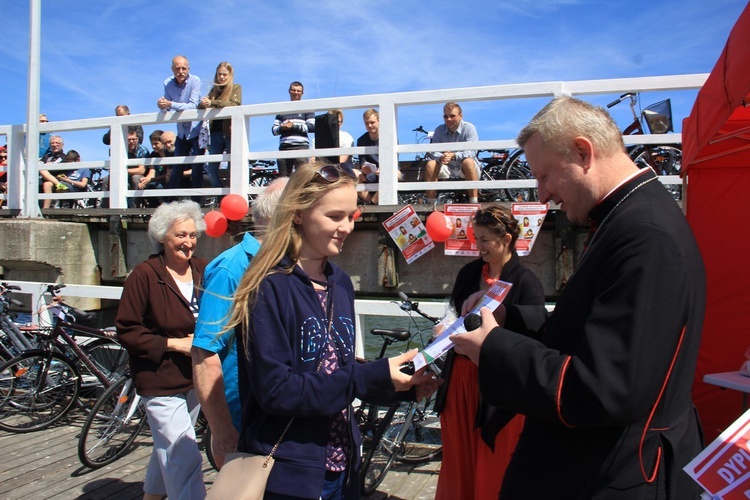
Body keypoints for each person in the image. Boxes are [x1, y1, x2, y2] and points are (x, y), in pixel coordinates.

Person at [450, 96, 707, 499]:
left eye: (545, 176)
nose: (543, 194)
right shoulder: (629, 217)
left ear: (583, 152)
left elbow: (606, 388)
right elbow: (589, 331)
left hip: (612, 474)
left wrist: (493, 348)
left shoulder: (644, 235)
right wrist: (509, 318)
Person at [224, 162, 439, 499]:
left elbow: (333, 373)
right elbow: (277, 391)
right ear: (298, 214)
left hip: (343, 465)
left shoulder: (340, 283)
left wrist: (397, 383)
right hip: (287, 472)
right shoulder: (268, 286)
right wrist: (367, 378)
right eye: (334, 216)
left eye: (350, 216)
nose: (346, 228)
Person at [434, 205, 546, 500]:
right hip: (460, 380)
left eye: (484, 239)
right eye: (475, 238)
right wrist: (443, 328)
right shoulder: (469, 273)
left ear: (506, 239)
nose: (477, 246)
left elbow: (537, 332)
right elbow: (453, 313)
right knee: (458, 457)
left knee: (496, 458)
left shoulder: (526, 281)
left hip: (499, 387)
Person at [192, 176, 288, 469]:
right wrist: (221, 431)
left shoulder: (285, 263)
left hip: (278, 414)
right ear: (281, 217)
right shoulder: (231, 267)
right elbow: (204, 353)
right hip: (244, 416)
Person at [116, 200, 208, 500]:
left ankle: (152, 496)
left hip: (194, 375)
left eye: (193, 235)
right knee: (183, 452)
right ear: (163, 237)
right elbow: (127, 330)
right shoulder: (144, 275)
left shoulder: (202, 270)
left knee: (169, 445)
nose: (189, 242)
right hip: (159, 378)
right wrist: (172, 343)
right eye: (181, 235)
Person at [158, 55, 202, 192]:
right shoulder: (167, 83)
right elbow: (168, 108)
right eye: (178, 68)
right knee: (176, 168)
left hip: (196, 130)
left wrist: (170, 103)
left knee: (197, 168)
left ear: (188, 69)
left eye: (184, 68)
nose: (181, 71)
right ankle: (171, 204)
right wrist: (162, 105)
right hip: (181, 132)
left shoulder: (195, 81)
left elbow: (193, 106)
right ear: (172, 69)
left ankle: (197, 203)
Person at [424, 102, 480, 203]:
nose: (448, 119)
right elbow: (432, 150)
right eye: (446, 116)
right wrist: (441, 157)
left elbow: (473, 151)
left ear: (461, 116)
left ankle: (474, 203)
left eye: (452, 116)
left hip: (465, 168)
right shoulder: (439, 129)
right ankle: (430, 205)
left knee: (469, 162)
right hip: (447, 167)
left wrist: (454, 155)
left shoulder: (469, 128)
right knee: (431, 164)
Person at [199, 61, 242, 191]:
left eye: (224, 74)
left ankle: (232, 193)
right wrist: (203, 104)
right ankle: (220, 194)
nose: (222, 77)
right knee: (212, 167)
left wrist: (213, 102)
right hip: (215, 132)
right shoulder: (214, 90)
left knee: (231, 166)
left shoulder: (236, 88)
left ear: (230, 75)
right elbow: (202, 106)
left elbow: (234, 104)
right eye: (219, 74)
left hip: (229, 132)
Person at [272, 81, 315, 176]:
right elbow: (274, 130)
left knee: (302, 178)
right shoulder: (282, 109)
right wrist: (283, 128)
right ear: (289, 91)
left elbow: (312, 127)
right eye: (293, 90)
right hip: (284, 147)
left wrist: (293, 126)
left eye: (298, 91)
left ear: (302, 93)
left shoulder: (307, 108)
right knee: (284, 179)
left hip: (301, 147)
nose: (296, 92)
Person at [101, 128, 149, 207]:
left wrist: (122, 170)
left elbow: (141, 170)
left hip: (137, 175)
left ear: (137, 139)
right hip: (124, 175)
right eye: (129, 140)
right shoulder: (120, 149)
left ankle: (134, 210)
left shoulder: (143, 150)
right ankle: (106, 208)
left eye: (133, 139)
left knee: (136, 178)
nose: (131, 142)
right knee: (107, 179)